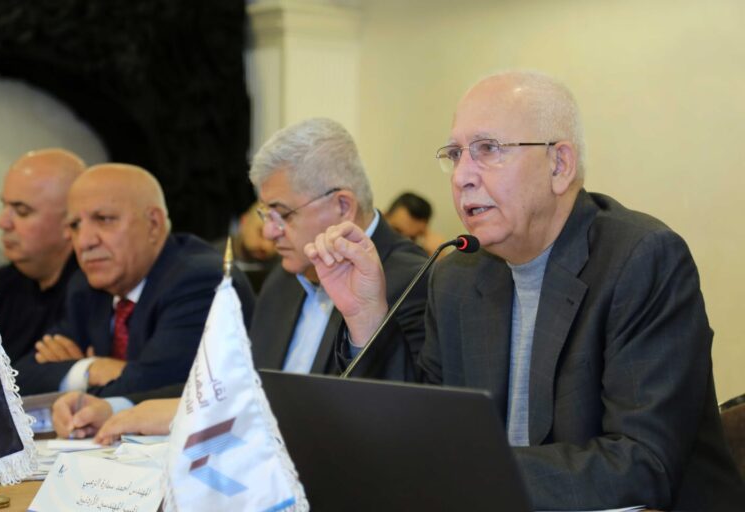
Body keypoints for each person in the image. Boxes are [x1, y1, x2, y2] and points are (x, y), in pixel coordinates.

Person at [304, 71, 744, 510]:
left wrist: (475, 474)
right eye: (455, 154)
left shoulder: (640, 259)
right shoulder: (458, 276)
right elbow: (423, 428)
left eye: (488, 149)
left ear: (559, 165)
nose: (461, 176)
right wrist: (366, 315)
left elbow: (642, 464)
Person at [52, 118, 429, 442]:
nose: (268, 233)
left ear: (342, 206)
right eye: (266, 215)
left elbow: (393, 423)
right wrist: (119, 407)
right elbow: (240, 389)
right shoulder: (285, 279)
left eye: (282, 214)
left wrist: (182, 418)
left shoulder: (411, 282)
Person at [14, 163, 255, 397]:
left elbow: (156, 388)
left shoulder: (200, 280)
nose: (84, 241)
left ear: (153, 224)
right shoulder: (86, 287)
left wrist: (76, 378)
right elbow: (17, 380)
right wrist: (89, 369)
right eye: (75, 225)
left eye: (104, 219)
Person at [0, 148, 85, 363]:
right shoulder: (6, 280)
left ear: (70, 222)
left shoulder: (89, 294)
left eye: (22, 211)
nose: (2, 222)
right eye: (5, 205)